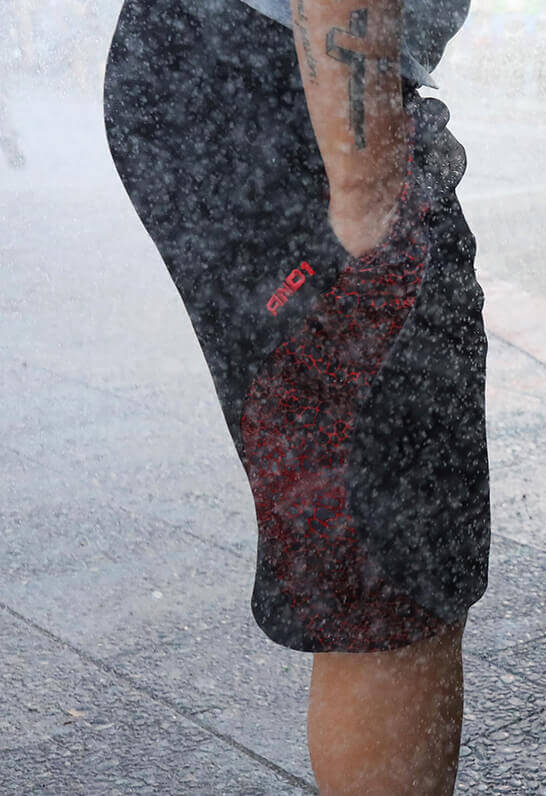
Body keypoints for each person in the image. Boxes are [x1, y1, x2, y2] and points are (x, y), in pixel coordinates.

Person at [103, 1, 489, 793]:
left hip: (256, 78)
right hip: (279, 83)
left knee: (400, 550)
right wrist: (369, 200)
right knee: (388, 575)